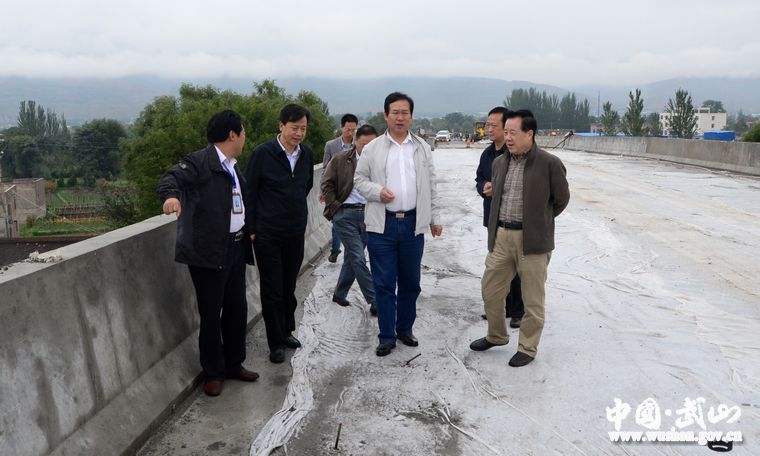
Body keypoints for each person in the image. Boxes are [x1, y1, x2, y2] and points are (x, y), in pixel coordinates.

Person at [158, 110, 259, 397]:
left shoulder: (233, 166)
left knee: (237, 308)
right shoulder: (200, 162)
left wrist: (250, 229)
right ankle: (213, 372)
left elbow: (240, 202)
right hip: (208, 251)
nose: (245, 138)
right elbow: (170, 178)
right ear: (232, 135)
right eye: (243, 133)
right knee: (212, 313)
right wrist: (171, 197)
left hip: (236, 247)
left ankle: (234, 363)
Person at [469, 109, 570, 367]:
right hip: (502, 236)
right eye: (506, 132)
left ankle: (527, 347)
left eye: (513, 133)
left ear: (530, 134)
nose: (508, 138)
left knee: (532, 300)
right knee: (490, 290)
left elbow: (561, 200)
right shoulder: (499, 162)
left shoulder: (549, 163)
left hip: (532, 242)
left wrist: (539, 222)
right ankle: (496, 335)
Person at [354, 92, 443, 357]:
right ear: (386, 115)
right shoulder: (372, 148)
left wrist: (435, 218)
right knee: (384, 284)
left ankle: (404, 329)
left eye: (405, 113)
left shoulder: (422, 147)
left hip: (413, 224)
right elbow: (359, 181)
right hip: (383, 226)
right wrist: (377, 191)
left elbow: (431, 185)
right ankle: (386, 336)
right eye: (395, 112)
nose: (400, 117)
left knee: (410, 282)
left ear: (411, 117)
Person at [244, 104, 315, 364]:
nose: (299, 134)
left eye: (303, 129)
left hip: (295, 231)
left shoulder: (306, 154)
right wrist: (252, 228)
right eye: (294, 128)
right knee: (272, 287)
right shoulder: (262, 154)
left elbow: (306, 186)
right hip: (267, 233)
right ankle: (275, 342)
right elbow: (250, 192)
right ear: (281, 125)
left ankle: (286, 331)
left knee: (288, 285)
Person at [320, 124, 378, 315]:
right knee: (358, 257)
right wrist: (335, 206)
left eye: (372, 145)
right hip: (345, 215)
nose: (367, 149)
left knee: (352, 258)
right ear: (355, 142)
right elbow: (326, 183)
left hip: (369, 215)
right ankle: (375, 300)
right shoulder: (340, 159)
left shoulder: (381, 163)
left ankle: (339, 293)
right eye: (363, 145)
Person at [475, 106, 524, 328]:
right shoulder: (487, 154)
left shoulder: (515, 154)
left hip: (513, 220)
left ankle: (518, 310)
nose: (489, 129)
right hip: (493, 217)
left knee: (516, 267)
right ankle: (499, 307)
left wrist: (498, 188)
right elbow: (478, 178)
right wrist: (484, 186)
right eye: (488, 124)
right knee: (497, 267)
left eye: (494, 125)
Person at [322, 114, 358, 263]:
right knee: (337, 221)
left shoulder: (359, 145)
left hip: (355, 191)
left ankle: (351, 252)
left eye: (353, 130)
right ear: (341, 127)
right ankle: (335, 250)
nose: (350, 133)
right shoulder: (331, 145)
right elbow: (325, 169)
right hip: (336, 190)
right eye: (348, 129)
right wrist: (323, 190)